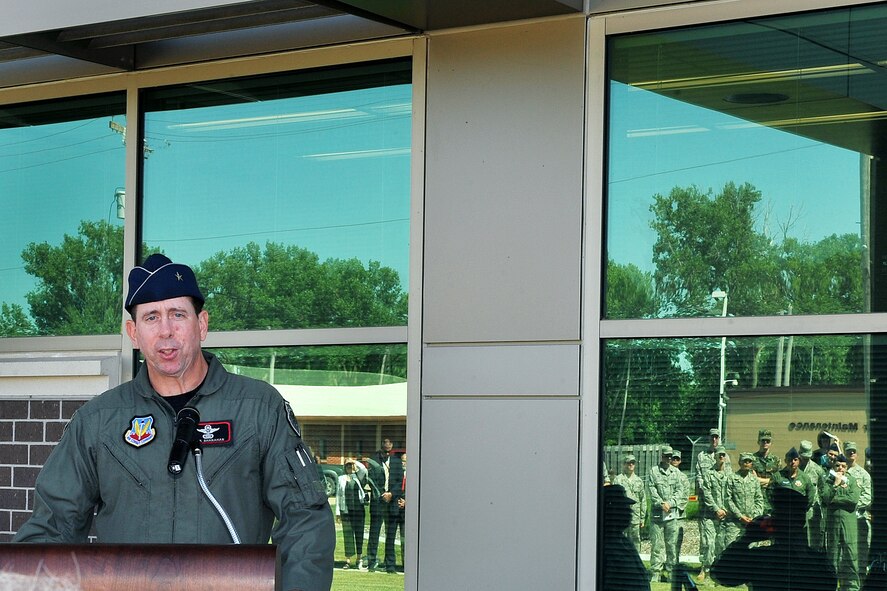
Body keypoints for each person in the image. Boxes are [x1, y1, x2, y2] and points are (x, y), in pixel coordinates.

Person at [12, 254, 335, 591]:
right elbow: (52, 529)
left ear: (202, 324)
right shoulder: (98, 421)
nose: (165, 331)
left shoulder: (258, 409)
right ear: (133, 333)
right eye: (151, 317)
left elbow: (306, 522)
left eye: (177, 314)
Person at [711, 478, 837, 590]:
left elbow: (719, 574)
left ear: (774, 525)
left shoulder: (760, 558)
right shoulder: (820, 563)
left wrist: (746, 538)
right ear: (801, 522)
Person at [822, 454, 861, 591]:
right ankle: (831, 586)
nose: (840, 468)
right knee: (832, 555)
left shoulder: (852, 480)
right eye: (838, 465)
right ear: (834, 466)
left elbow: (853, 499)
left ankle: (852, 587)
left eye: (843, 466)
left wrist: (835, 499)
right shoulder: (828, 481)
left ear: (846, 467)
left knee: (851, 555)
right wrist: (836, 485)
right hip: (833, 523)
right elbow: (826, 498)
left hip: (848, 523)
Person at [601, 484, 652, 591]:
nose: (630, 511)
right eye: (624, 507)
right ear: (612, 510)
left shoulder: (622, 541)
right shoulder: (603, 546)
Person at [647, 445, 684, 583]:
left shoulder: (676, 473)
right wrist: (661, 503)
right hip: (657, 515)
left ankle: (670, 573)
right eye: (666, 456)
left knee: (671, 545)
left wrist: (670, 503)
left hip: (671, 515)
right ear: (661, 456)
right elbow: (651, 489)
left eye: (670, 456)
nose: (669, 459)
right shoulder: (653, 471)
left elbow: (680, 491)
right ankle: (655, 573)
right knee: (657, 545)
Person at [697, 445, 729, 584]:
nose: (721, 457)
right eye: (719, 455)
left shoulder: (730, 474)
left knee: (721, 544)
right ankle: (706, 570)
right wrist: (716, 509)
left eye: (723, 455)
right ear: (715, 457)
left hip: (725, 515)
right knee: (709, 543)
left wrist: (726, 510)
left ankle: (719, 572)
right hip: (710, 514)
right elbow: (707, 493)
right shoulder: (708, 474)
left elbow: (732, 493)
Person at [724, 452, 764, 547]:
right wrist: (740, 516)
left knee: (751, 553)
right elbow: (727, 499)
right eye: (744, 461)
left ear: (752, 464)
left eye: (749, 461)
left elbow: (759, 500)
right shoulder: (732, 478)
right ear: (739, 463)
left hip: (751, 523)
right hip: (734, 523)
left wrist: (755, 518)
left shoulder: (754, 480)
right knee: (731, 551)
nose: (746, 463)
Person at [364, 439, 393, 572]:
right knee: (374, 533)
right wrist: (381, 494)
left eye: (389, 451)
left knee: (390, 534)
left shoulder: (395, 462)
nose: (387, 453)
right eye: (385, 451)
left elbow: (398, 480)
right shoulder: (373, 462)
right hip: (378, 501)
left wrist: (391, 494)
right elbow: (371, 480)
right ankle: (371, 562)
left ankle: (389, 564)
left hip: (391, 501)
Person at [845, 442, 872, 581]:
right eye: (849, 451)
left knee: (862, 548)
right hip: (843, 518)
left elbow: (867, 497)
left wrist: (852, 505)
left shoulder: (864, 474)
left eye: (853, 451)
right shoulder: (839, 471)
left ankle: (861, 576)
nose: (851, 453)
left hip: (859, 518)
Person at [335, 458, 367, 570]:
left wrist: (354, 462)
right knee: (348, 536)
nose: (349, 467)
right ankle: (348, 560)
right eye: (347, 466)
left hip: (358, 510)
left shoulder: (358, 476)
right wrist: (338, 512)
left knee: (359, 534)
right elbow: (339, 495)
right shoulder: (341, 479)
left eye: (350, 466)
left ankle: (359, 559)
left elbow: (364, 469)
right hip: (346, 511)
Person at [612, 454, 646, 551]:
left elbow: (643, 500)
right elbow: (614, 500)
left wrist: (642, 518)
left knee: (636, 540)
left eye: (633, 463)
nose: (631, 465)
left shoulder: (639, 481)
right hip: (621, 517)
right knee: (621, 541)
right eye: (629, 463)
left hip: (635, 516)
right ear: (624, 464)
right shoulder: (618, 480)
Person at [381, 443, 405, 574]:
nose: (404, 463)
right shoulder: (393, 468)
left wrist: (407, 501)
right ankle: (390, 565)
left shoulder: (414, 474)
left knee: (406, 539)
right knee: (390, 536)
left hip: (406, 509)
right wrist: (391, 495)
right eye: (403, 461)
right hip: (393, 506)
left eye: (406, 461)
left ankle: (406, 565)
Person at [800, 439, 826, 550]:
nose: (806, 460)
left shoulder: (817, 470)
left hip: (813, 511)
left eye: (808, 457)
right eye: (804, 457)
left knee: (814, 541)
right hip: (798, 511)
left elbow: (823, 489)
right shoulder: (794, 468)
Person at [752, 429, 780, 513]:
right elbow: (752, 480)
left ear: (771, 443)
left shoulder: (776, 460)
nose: (765, 443)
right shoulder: (752, 459)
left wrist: (760, 480)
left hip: (771, 501)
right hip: (756, 501)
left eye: (767, 441)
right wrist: (770, 481)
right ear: (758, 442)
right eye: (763, 440)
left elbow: (778, 481)